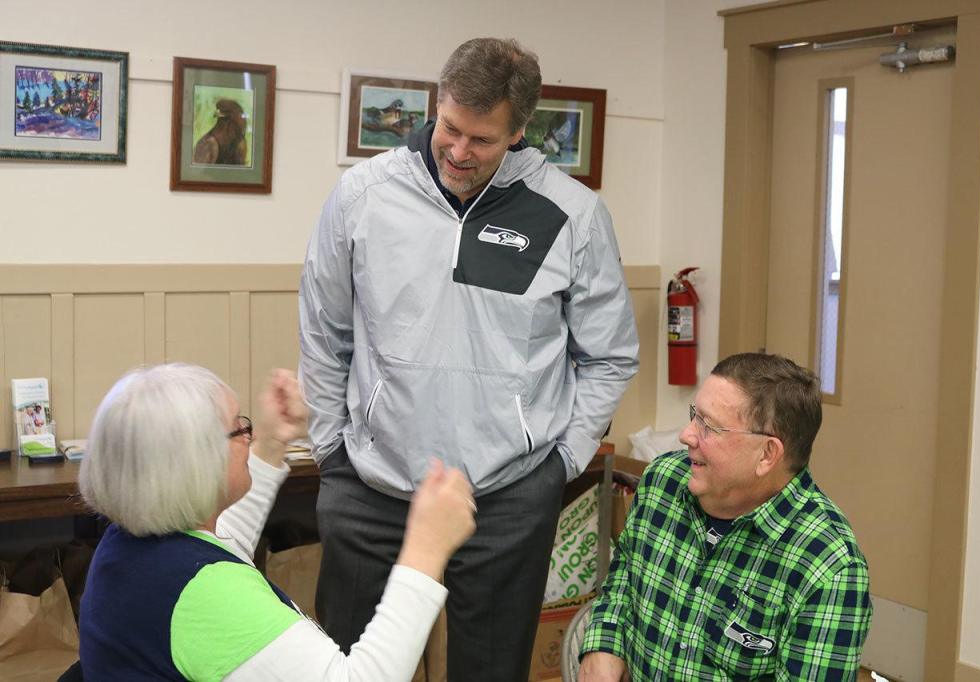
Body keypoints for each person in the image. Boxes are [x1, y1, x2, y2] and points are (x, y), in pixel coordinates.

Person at [299, 37, 638, 681]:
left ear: (518, 132)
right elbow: (323, 330)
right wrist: (330, 449)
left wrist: (560, 463)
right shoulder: (361, 196)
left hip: (508, 496)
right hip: (371, 489)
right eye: (449, 128)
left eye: (481, 140)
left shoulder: (574, 215)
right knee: (348, 670)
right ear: (437, 102)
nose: (457, 151)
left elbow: (609, 355)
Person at [77, 363, 476, 681]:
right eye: (239, 428)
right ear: (197, 464)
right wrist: (426, 549)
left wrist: (271, 440)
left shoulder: (132, 546)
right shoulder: (206, 596)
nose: (247, 437)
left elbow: (222, 547)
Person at [579, 353, 872, 681]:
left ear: (767, 454)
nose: (686, 435)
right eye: (695, 415)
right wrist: (603, 643)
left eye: (708, 426)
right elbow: (623, 580)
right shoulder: (663, 481)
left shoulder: (829, 567)